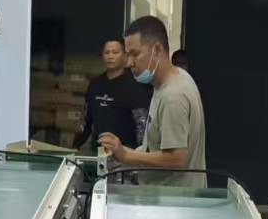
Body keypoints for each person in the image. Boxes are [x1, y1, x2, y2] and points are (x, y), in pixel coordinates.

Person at [99, 16, 207, 189]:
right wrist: (123, 158)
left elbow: (177, 159)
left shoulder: (173, 96)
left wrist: (127, 155)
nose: (129, 62)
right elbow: (156, 147)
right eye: (128, 55)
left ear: (157, 50)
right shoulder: (173, 79)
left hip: (173, 199)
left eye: (135, 54)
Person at [74, 37, 150, 151]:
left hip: (126, 153)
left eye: (115, 52)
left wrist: (141, 153)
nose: (110, 56)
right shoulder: (95, 84)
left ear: (125, 55)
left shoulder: (136, 86)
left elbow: (142, 124)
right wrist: (76, 145)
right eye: (107, 53)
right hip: (97, 151)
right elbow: (85, 120)